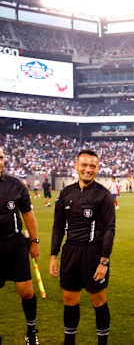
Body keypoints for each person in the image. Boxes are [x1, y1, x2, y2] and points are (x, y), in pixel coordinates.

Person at [49, 150, 115, 345]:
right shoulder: (66, 193)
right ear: (76, 166)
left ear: (97, 169)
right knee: (69, 300)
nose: (88, 169)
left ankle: (102, 343)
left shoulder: (103, 196)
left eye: (92, 166)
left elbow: (110, 229)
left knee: (98, 301)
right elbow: (58, 226)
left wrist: (104, 261)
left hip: (93, 254)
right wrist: (54, 255)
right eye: (84, 165)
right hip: (70, 252)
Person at [0, 147, 41, 344]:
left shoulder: (15, 185)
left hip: (15, 245)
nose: (0, 162)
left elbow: (28, 214)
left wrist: (34, 241)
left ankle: (31, 331)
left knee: (26, 291)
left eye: (0, 158)